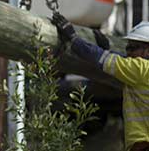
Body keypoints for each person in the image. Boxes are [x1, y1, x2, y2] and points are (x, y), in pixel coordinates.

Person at [52, 12, 149, 151]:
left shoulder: (140, 69)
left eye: (133, 48)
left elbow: (99, 58)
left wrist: (73, 38)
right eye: (127, 48)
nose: (128, 53)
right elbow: (120, 61)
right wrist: (108, 50)